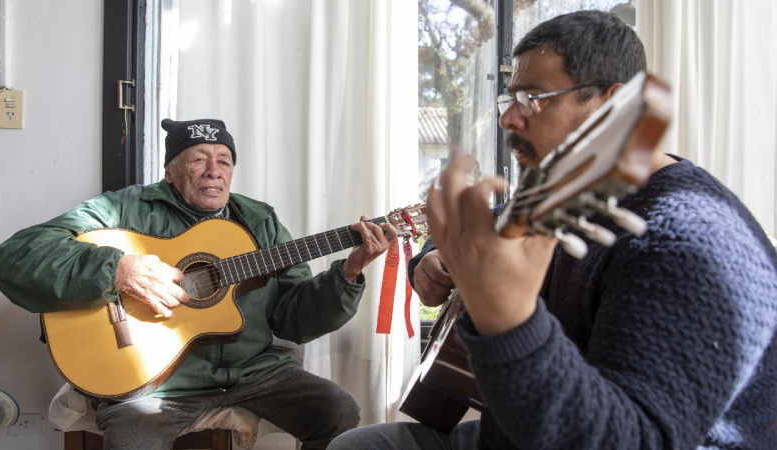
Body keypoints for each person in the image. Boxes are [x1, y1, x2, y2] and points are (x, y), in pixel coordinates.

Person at [330, 10, 777, 450]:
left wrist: (508, 321)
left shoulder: (686, 244)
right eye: (510, 102)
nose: (508, 120)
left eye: (531, 100)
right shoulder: (570, 193)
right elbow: (491, 226)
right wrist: (427, 262)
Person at [0, 118, 397, 450]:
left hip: (253, 372)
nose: (214, 170)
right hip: (156, 385)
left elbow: (293, 321)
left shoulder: (259, 221)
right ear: (170, 169)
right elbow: (16, 256)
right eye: (199, 159)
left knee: (339, 413)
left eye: (223, 159)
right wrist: (118, 269)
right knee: (133, 440)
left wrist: (347, 274)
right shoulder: (123, 208)